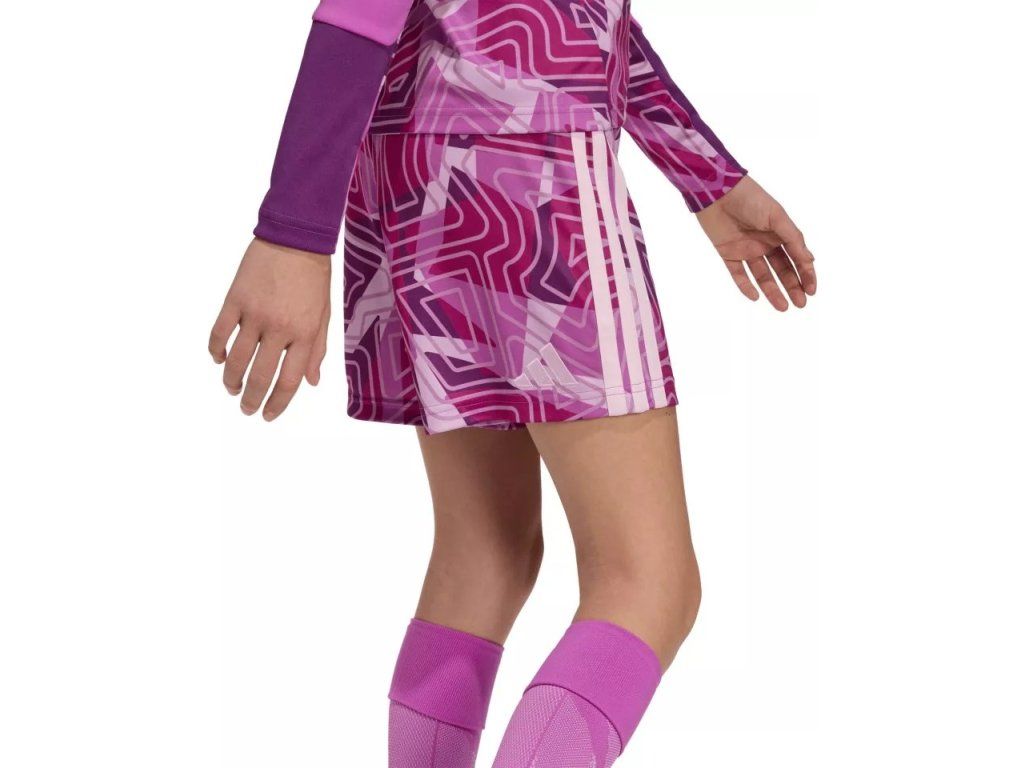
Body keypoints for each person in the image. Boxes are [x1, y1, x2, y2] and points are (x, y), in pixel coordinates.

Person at [208, 1, 817, 765]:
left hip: (414, 172)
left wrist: (710, 178)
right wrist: (290, 233)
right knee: (649, 581)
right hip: (534, 167)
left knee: (487, 554)